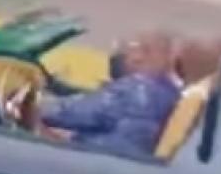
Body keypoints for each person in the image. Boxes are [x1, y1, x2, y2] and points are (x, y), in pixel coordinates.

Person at [38, 31, 183, 157]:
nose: (120, 56)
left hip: (98, 159)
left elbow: (68, 112)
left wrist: (35, 101)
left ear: (140, 56)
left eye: (127, 50)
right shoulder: (170, 94)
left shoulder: (135, 88)